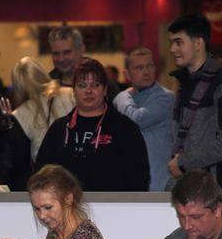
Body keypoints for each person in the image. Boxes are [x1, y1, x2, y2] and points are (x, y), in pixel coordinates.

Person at [35, 59, 149, 192]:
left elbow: (139, 180)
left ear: (105, 89)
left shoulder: (126, 128)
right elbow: (41, 175)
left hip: (113, 209)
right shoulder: (59, 128)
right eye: (82, 85)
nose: (88, 91)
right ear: (74, 91)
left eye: (95, 85)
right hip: (65, 208)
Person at [166, 13, 222, 192]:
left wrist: (183, 162)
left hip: (216, 193)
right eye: (172, 42)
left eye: (179, 42)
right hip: (189, 188)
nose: (172, 49)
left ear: (198, 43)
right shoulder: (186, 84)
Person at [113, 46, 175, 191]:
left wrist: (122, 96)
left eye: (150, 66)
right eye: (139, 68)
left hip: (159, 186)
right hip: (130, 182)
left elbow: (136, 120)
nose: (146, 72)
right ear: (127, 74)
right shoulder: (127, 100)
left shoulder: (165, 98)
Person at [10, 56, 76, 163]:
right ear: (41, 72)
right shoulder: (71, 94)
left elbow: (20, 160)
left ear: (17, 86)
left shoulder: (19, 114)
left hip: (45, 173)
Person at [47, 26, 121, 101]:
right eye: (56, 54)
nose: (61, 59)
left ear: (81, 50)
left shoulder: (103, 81)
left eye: (67, 52)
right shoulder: (47, 84)